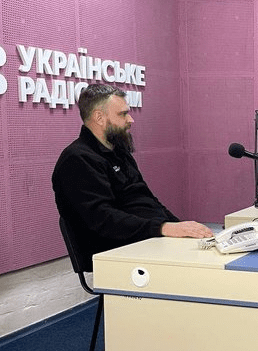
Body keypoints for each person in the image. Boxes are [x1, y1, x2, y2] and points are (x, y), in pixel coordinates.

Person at [52, 84, 212, 271]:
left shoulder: (119, 151)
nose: (130, 119)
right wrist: (163, 228)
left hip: (147, 240)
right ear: (99, 117)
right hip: (118, 251)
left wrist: (179, 227)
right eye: (123, 114)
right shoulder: (77, 160)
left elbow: (147, 199)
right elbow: (104, 220)